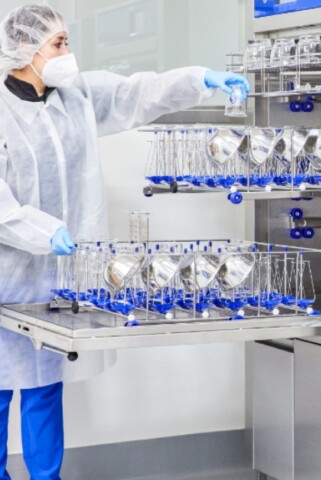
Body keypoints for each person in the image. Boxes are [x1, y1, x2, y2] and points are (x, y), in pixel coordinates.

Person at [0, 4, 250, 480]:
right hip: (6, 275)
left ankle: (46, 478)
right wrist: (40, 230)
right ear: (26, 49)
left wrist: (200, 79)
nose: (67, 51)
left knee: (44, 386)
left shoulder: (75, 97)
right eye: (58, 44)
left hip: (58, 277)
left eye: (66, 41)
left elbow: (138, 92)